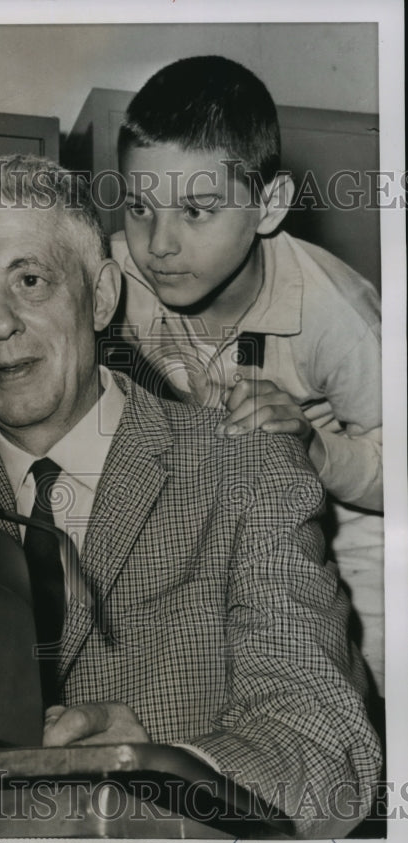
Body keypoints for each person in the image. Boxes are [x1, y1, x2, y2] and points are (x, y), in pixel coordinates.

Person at [0, 154, 381, 837]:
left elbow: (323, 738)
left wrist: (156, 775)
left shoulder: (246, 466)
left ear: (101, 297)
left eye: (30, 280)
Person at [110, 55, 384, 698]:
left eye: (197, 211)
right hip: (225, 502)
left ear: (268, 205)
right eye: (139, 207)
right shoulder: (117, 277)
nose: (160, 244)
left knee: (362, 693)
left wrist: (313, 446)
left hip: (353, 515)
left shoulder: (336, 313)